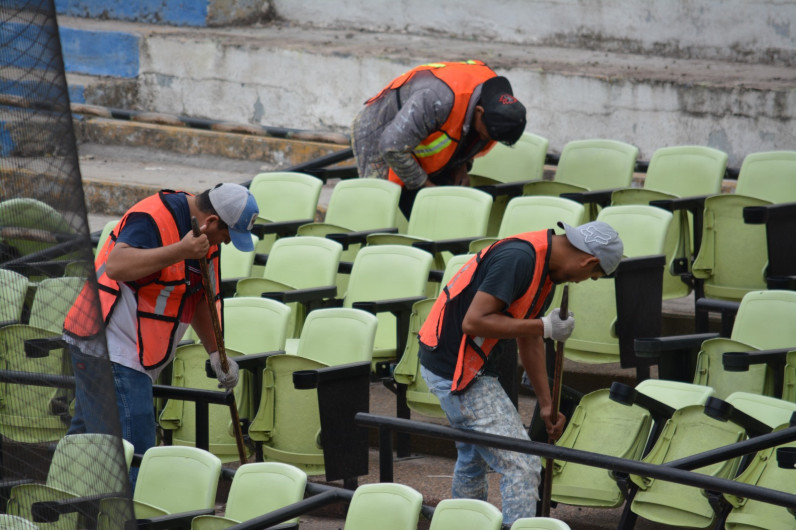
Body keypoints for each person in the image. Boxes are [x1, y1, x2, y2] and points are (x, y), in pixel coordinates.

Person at [417, 220, 624, 524]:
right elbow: (474, 322)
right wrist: (544, 326)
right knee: (523, 465)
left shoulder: (546, 270)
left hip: (460, 362)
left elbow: (529, 337)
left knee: (474, 456)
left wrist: (546, 403)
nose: (585, 280)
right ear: (588, 261)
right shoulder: (520, 259)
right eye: (593, 275)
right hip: (455, 369)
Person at [63, 183, 259, 486]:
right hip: (112, 350)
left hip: (118, 351)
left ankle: (63, 505)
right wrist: (180, 250)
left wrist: (215, 353)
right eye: (228, 235)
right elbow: (117, 265)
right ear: (212, 222)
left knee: (86, 448)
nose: (227, 243)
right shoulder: (153, 216)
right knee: (133, 461)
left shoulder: (205, 240)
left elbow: (200, 296)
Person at [351, 60, 527, 218]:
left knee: (442, 209)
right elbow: (391, 147)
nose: (485, 140)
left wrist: (461, 166)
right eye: (487, 136)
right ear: (480, 112)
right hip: (379, 131)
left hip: (416, 133)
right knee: (380, 207)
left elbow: (466, 130)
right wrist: (427, 188)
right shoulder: (437, 101)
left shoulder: (492, 98)